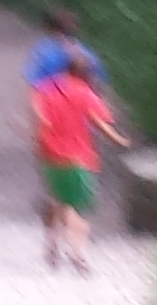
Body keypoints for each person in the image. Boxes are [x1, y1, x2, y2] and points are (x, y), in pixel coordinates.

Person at [30, 45, 120, 273]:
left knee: (57, 199)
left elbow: (40, 117)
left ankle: (51, 243)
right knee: (76, 207)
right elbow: (101, 122)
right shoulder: (87, 95)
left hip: (50, 154)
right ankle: (78, 254)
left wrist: (38, 142)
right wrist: (120, 140)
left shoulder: (47, 90)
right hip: (79, 158)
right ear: (87, 75)